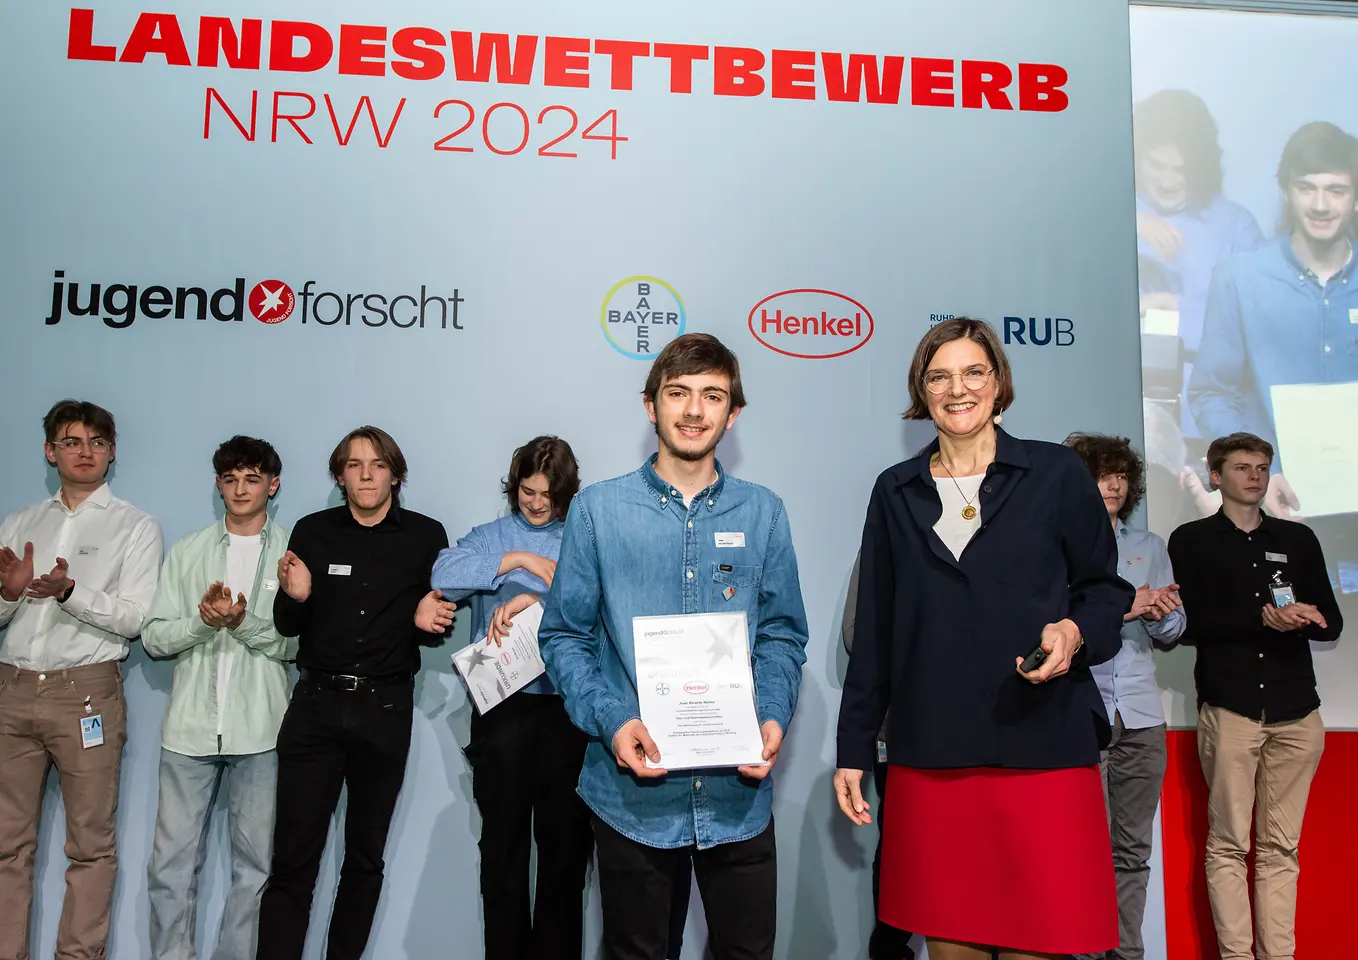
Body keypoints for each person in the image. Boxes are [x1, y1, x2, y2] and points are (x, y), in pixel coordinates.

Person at [833, 318, 1133, 960]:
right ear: (922, 391)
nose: (957, 389)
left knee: (1038, 942)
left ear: (998, 383)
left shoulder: (1055, 473)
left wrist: (1073, 631)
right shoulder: (895, 490)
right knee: (951, 946)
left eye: (974, 372)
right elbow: (877, 630)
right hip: (932, 755)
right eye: (939, 376)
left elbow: (1105, 591)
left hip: (1043, 746)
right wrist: (853, 748)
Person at [540, 333, 809, 960]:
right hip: (632, 801)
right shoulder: (597, 511)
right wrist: (613, 720)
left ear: (732, 413)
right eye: (678, 393)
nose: (693, 410)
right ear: (650, 406)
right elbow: (565, 637)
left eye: (712, 395)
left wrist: (771, 714)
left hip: (738, 798)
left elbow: (781, 634)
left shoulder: (764, 513)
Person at [256, 426, 454, 960]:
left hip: (385, 709)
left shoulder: (426, 536)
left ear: (395, 474)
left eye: (377, 465)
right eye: (354, 465)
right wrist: (296, 597)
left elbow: (437, 622)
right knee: (292, 861)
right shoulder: (312, 531)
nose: (366, 475)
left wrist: (422, 620)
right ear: (340, 476)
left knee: (365, 859)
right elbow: (287, 624)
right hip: (315, 709)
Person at [1167, 432, 1342, 960]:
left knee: (1281, 848)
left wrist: (1304, 618)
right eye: (1243, 467)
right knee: (1228, 845)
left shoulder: (1298, 538)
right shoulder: (1191, 540)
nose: (1255, 476)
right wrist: (1261, 619)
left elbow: (1332, 623)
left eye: (1262, 467)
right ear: (1215, 476)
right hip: (1231, 707)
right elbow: (1188, 626)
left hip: (1297, 711)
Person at [0, 399, 163, 960]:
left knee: (90, 847)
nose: (85, 452)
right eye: (72, 442)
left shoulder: (135, 526)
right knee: (5, 845)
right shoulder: (19, 523)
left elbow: (135, 619)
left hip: (86, 693)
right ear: (51, 452)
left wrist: (70, 592)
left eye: (96, 442)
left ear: (112, 451)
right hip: (13, 688)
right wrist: (9, 593)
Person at [430, 436, 592, 960]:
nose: (537, 503)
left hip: (567, 710)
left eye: (548, 494)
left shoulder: (583, 537)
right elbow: (443, 576)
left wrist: (534, 600)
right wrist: (517, 559)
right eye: (527, 491)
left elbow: (601, 607)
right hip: (501, 710)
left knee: (565, 854)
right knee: (502, 851)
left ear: (565, 492)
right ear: (514, 486)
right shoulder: (491, 537)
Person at [143, 435, 294, 960]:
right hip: (187, 732)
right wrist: (203, 623)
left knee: (255, 870)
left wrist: (244, 623)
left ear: (273, 485)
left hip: (262, 732)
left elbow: (301, 645)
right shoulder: (188, 550)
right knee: (169, 867)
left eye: (252, 478)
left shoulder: (294, 554)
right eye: (230, 479)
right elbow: (153, 638)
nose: (241, 489)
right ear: (218, 484)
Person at [1188, 121, 1358, 518]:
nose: (1320, 205)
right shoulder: (1241, 277)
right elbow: (1212, 393)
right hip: (1270, 506)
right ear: (1286, 193)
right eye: (1306, 188)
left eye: (1336, 190)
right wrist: (1258, 473)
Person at [1064, 434, 1185, 960]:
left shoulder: (1150, 547)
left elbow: (1174, 629)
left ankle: (1127, 951)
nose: (1113, 485)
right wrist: (1124, 608)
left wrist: (1160, 614)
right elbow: (1057, 624)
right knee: (1083, 848)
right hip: (1081, 712)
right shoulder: (1058, 546)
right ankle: (1086, 951)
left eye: (1121, 475)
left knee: (1133, 850)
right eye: (1101, 474)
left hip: (1140, 713)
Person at [1133, 89, 1263, 440]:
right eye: (1156, 165)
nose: (1168, 181)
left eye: (1182, 169)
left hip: (1206, 426)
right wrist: (1123, 217)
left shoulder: (1236, 226)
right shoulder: (1106, 212)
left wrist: (1178, 309)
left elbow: (1258, 329)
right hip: (1117, 416)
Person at [842, 554, 916, 960]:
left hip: (982, 736)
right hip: (900, 730)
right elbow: (856, 634)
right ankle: (890, 949)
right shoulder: (888, 535)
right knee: (900, 847)